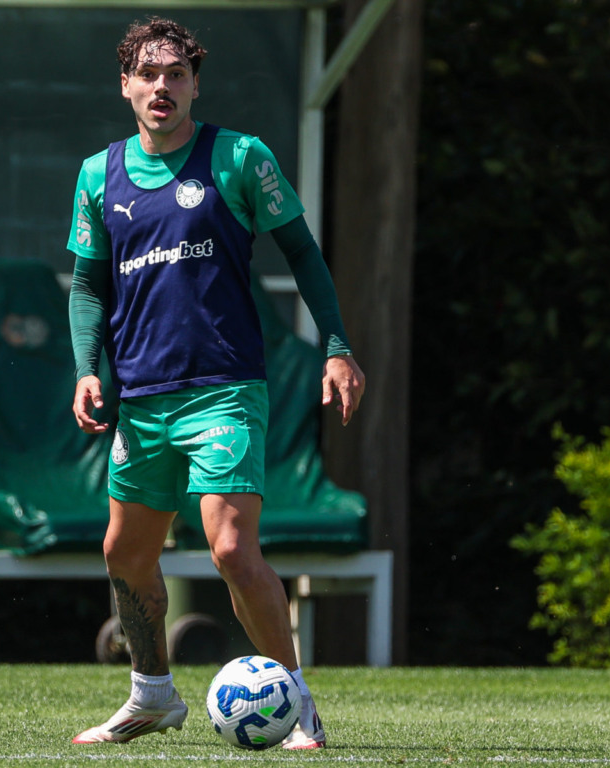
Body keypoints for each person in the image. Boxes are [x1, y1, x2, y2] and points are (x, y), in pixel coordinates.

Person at [66, 16, 365, 751]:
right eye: (148, 72)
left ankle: (296, 706)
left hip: (225, 389)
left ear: (196, 84)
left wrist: (335, 344)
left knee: (230, 548)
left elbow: (302, 251)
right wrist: (85, 369)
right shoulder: (97, 173)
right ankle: (152, 695)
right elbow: (87, 285)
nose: (161, 85)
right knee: (123, 553)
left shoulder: (238, 157)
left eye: (176, 73)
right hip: (142, 397)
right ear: (126, 85)